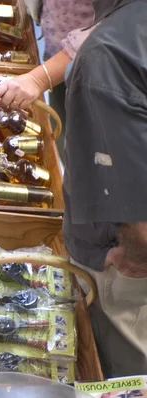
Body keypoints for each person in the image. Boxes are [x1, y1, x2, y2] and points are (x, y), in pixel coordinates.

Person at [63, 0, 147, 378]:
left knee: (121, 374)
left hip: (129, 275)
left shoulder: (109, 54)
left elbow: (142, 225)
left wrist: (132, 256)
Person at [0, 0, 94, 155]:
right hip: (61, 58)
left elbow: (118, 27)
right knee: (61, 126)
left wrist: (40, 79)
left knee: (91, 146)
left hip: (98, 70)